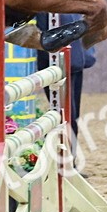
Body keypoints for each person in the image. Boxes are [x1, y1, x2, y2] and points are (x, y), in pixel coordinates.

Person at [35, 13, 96, 157]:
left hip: (71, 60)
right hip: (64, 60)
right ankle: (68, 158)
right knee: (67, 115)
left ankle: (69, 158)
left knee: (70, 116)